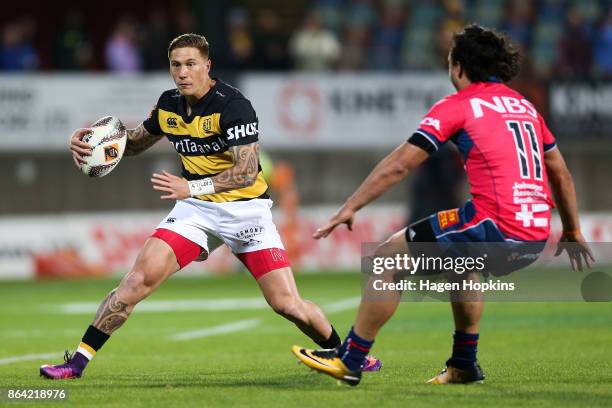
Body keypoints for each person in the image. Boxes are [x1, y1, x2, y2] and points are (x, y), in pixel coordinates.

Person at [40, 33, 380, 380]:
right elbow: (137, 142)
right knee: (136, 282)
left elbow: (247, 172)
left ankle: (348, 355)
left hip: (247, 211)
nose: (183, 72)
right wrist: (96, 144)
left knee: (287, 305)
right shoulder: (169, 104)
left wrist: (192, 186)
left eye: (190, 64)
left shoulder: (232, 105)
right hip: (197, 212)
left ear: (207, 65)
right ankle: (76, 363)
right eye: (176, 65)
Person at [292, 24, 594, 386]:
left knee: (387, 258)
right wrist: (573, 230)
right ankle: (464, 365)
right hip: (533, 234)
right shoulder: (525, 107)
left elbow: (401, 163)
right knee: (461, 264)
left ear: (460, 67)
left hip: (493, 226)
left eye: (450, 62)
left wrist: (351, 205)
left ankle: (351, 359)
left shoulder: (458, 106)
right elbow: (559, 171)